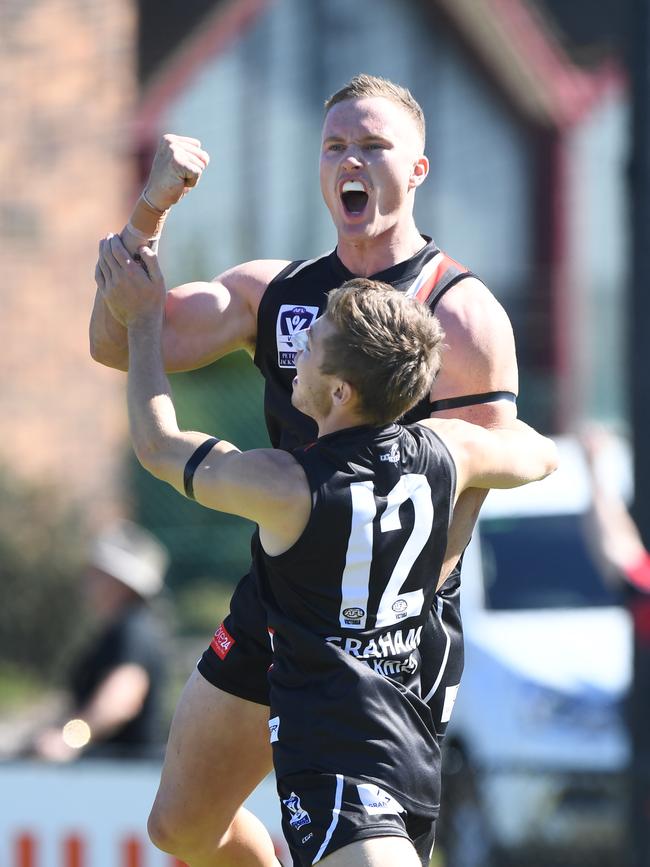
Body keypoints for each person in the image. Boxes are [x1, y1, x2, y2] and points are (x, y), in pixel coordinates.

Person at [90, 74, 518, 866]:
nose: (350, 160)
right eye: (334, 146)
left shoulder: (459, 310)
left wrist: (387, 599)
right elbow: (119, 340)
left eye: (373, 146)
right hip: (276, 603)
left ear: (418, 169)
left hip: (386, 631)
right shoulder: (278, 292)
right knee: (180, 825)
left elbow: (478, 476)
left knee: (374, 847)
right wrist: (149, 210)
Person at [31, 520, 170, 761]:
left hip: (118, 779)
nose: (87, 577)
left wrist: (69, 740)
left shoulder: (132, 629)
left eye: (97, 571)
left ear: (119, 582)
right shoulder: (125, 627)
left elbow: (122, 699)